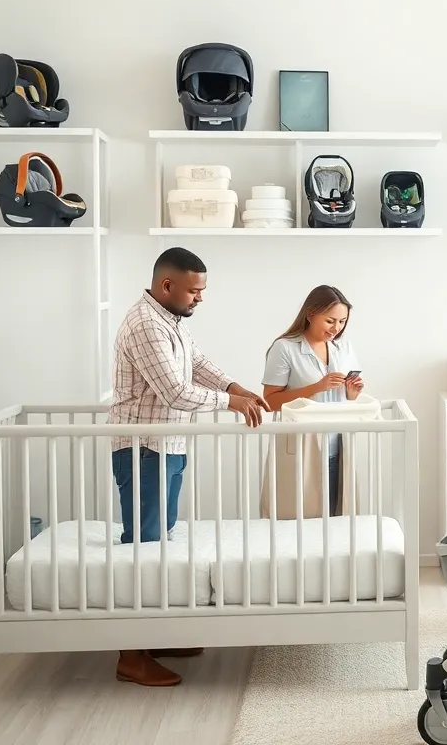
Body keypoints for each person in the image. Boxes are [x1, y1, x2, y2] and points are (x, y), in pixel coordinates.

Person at [106, 246, 268, 687]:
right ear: (167, 286)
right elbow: (175, 391)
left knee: (161, 539)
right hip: (143, 447)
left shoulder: (169, 322)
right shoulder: (144, 324)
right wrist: (229, 402)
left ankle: (152, 635)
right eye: (194, 291)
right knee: (144, 545)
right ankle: (131, 654)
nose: (200, 298)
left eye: (203, 290)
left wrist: (235, 386)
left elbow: (196, 363)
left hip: (167, 444)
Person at [260, 285, 363, 518]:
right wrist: (316, 387)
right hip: (300, 446)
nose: (337, 328)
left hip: (337, 444)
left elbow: (347, 395)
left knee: (337, 516)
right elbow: (271, 401)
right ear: (310, 314)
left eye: (342, 321)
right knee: (298, 517)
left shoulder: (343, 347)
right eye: (330, 321)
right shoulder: (285, 348)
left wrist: (352, 392)